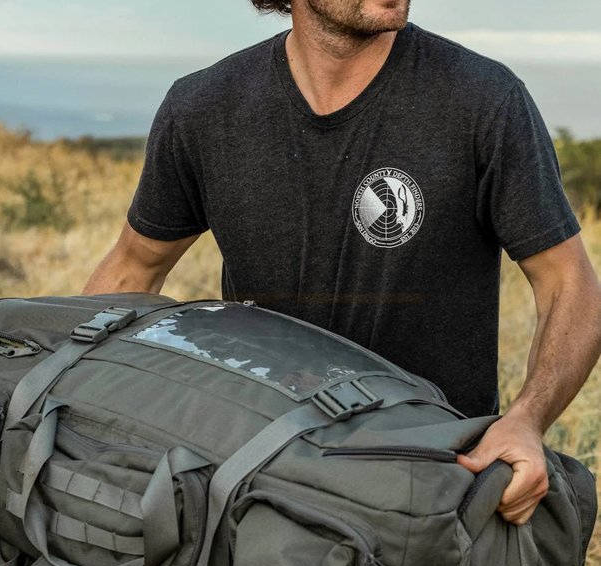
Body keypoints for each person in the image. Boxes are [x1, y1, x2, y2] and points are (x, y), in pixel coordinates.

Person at [83, 0, 601, 525]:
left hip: (432, 485)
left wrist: (526, 421)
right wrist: (62, 394)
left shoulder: (482, 99)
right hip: (257, 471)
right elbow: (133, 269)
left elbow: (568, 284)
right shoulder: (204, 106)